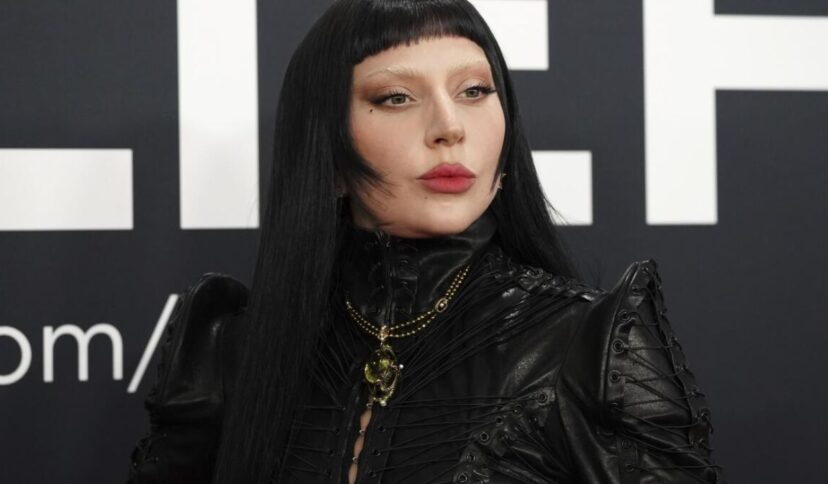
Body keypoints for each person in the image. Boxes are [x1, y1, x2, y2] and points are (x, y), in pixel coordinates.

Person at [127, 1, 724, 482]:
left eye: (474, 91)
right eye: (396, 98)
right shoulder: (230, 346)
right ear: (327, 149)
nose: (449, 127)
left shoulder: (588, 346)